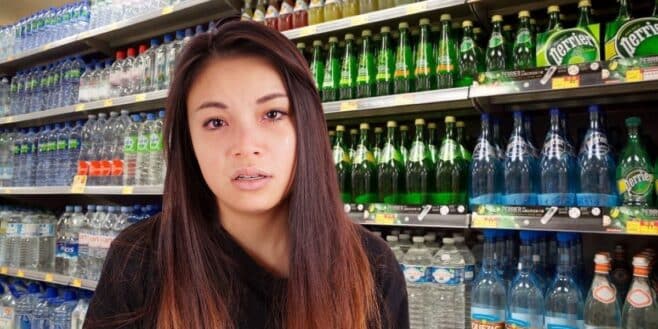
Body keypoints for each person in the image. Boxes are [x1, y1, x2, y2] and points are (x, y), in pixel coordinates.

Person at [84, 18, 409, 329]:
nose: (246, 146)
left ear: (306, 127)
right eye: (215, 122)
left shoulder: (371, 267)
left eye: (272, 114)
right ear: (189, 142)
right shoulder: (139, 260)